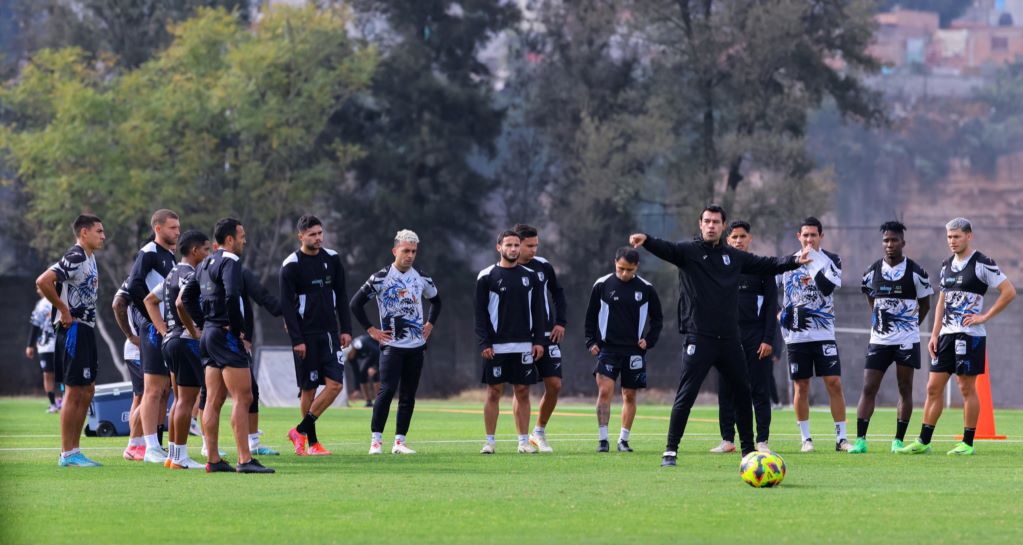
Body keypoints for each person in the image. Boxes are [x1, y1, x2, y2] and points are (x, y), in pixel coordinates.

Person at [629, 204, 808, 467]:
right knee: (686, 394)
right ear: (700, 224)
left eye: (716, 222)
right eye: (707, 221)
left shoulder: (733, 257)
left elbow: (766, 264)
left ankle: (748, 450)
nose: (711, 225)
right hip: (699, 337)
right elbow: (666, 248)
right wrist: (646, 240)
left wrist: (793, 260)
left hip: (729, 338)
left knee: (742, 392)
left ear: (723, 227)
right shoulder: (688, 252)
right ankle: (670, 449)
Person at [899, 218, 1016, 456]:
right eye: (949, 237)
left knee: (965, 388)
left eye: (957, 237)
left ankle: (967, 443)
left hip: (970, 336)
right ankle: (924, 441)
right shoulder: (946, 265)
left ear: (969, 236)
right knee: (933, 387)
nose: (952, 241)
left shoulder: (983, 264)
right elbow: (942, 300)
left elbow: (1009, 291)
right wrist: (934, 334)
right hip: (945, 336)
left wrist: (984, 316)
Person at [180, 217, 273, 473]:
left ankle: (213, 460)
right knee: (243, 397)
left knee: (213, 399)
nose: (245, 240)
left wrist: (203, 322)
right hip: (226, 336)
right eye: (242, 236)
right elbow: (232, 295)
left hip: (210, 335)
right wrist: (238, 329)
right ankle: (245, 460)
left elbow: (185, 298)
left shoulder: (203, 263)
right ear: (230, 239)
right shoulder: (230, 261)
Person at [351, 229, 442, 455]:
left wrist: (429, 324)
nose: (410, 255)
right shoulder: (381, 277)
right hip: (392, 346)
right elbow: (355, 303)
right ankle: (376, 441)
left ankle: (399, 442)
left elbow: (437, 301)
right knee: (386, 391)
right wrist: (372, 330)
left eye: (413, 251)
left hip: (416, 347)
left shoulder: (421, 276)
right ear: (395, 251)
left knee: (408, 395)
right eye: (405, 251)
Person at [849, 221, 933, 454]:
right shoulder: (871, 272)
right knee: (868, 387)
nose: (889, 244)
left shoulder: (917, 272)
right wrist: (880, 320)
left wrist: (911, 325)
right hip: (879, 340)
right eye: (886, 240)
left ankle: (898, 440)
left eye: (894, 240)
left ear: (903, 243)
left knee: (905, 388)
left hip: (907, 340)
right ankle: (861, 440)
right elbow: (870, 299)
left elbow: (926, 303)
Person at [280, 215, 352, 456]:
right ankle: (312, 443)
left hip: (330, 333)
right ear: (301, 237)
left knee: (335, 385)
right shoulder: (291, 265)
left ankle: (299, 430)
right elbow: (287, 307)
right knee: (309, 389)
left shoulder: (332, 259)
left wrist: (346, 329)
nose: (318, 238)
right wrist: (297, 340)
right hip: (306, 336)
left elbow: (341, 295)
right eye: (312, 234)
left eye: (320, 233)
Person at [36, 214, 105, 467]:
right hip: (73, 330)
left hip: (86, 328)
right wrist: (63, 310)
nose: (103, 235)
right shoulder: (75, 256)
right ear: (84, 233)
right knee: (75, 391)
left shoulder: (90, 257)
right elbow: (43, 281)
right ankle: (67, 454)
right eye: (99, 231)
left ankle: (75, 450)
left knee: (88, 389)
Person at [778, 216, 850, 452]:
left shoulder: (832, 260)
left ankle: (842, 439)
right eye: (805, 235)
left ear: (821, 236)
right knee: (802, 386)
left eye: (813, 235)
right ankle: (806, 439)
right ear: (798, 236)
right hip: (796, 336)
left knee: (834, 383)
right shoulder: (788, 262)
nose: (809, 239)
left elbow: (826, 287)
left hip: (824, 333)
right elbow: (771, 290)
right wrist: (778, 314)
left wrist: (811, 261)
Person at [475, 230, 546, 454]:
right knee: (494, 392)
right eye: (509, 245)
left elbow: (539, 311)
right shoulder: (486, 276)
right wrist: (484, 342)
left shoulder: (530, 276)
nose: (513, 249)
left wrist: (538, 341)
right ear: (499, 248)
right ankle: (489, 442)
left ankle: (523, 442)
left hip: (524, 344)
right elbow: (480, 314)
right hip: (496, 345)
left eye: (516, 245)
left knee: (522, 391)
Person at [584, 247, 662, 453]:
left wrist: (649, 340)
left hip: (633, 351)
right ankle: (603, 440)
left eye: (629, 269)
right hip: (607, 349)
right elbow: (590, 316)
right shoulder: (602, 285)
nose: (624, 273)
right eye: (620, 269)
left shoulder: (646, 289)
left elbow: (658, 319)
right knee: (604, 391)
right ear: (614, 263)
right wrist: (591, 341)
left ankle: (623, 440)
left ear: (636, 267)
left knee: (629, 395)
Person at [710, 220, 778, 454]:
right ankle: (727, 439)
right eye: (734, 237)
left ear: (750, 239)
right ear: (727, 240)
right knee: (726, 388)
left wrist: (768, 339)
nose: (738, 241)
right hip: (727, 336)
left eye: (742, 236)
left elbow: (771, 307)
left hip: (756, 336)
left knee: (759, 389)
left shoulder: (761, 267)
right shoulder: (720, 267)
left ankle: (762, 441)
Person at [146, 229, 210, 469]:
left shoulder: (172, 273)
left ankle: (173, 455)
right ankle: (181, 457)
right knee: (186, 400)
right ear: (195, 251)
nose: (208, 254)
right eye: (205, 250)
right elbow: (181, 302)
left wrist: (164, 331)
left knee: (178, 401)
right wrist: (195, 331)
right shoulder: (191, 275)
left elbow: (149, 301)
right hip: (185, 342)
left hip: (170, 341)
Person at [127, 209, 180, 464]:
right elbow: (134, 284)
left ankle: (156, 444)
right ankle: (148, 447)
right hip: (153, 329)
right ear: (158, 228)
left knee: (164, 390)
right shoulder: (148, 252)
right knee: (152, 390)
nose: (177, 232)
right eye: (172, 228)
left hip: (167, 328)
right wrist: (152, 321)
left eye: (178, 227)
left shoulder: (170, 256)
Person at [513, 224, 568, 454]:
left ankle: (539, 432)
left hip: (546, 334)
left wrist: (560, 322)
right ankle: (522, 440)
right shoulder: (507, 269)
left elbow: (557, 293)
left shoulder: (543, 266)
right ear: (517, 244)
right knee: (522, 389)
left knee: (555, 384)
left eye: (536, 245)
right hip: (519, 336)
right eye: (529, 246)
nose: (533, 250)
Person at [240, 265, 284, 456]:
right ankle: (209, 447)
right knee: (213, 394)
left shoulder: (206, 269)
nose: (245, 240)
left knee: (250, 391)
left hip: (223, 339)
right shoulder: (232, 269)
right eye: (241, 236)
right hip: (228, 341)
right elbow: (263, 296)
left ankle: (252, 443)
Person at [113, 280, 146, 461]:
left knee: (142, 396)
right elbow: (117, 303)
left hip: (145, 350)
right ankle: (133, 445)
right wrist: (130, 336)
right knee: (145, 396)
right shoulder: (134, 281)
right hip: (137, 351)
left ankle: (142, 442)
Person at [26, 290, 59, 413]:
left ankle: (66, 401)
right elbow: (35, 325)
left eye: (39, 287)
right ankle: (53, 404)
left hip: (61, 344)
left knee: (63, 374)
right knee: (47, 374)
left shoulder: (61, 300)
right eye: (37, 287)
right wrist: (30, 345)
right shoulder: (41, 305)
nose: (38, 290)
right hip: (44, 345)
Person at [348, 334, 381, 406]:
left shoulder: (362, 344)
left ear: (351, 349)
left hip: (380, 351)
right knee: (362, 373)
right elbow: (356, 373)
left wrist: (375, 367)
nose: (349, 358)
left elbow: (378, 352)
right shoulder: (351, 357)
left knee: (376, 375)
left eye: (349, 355)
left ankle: (380, 401)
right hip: (371, 355)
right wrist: (357, 389)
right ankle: (368, 402)